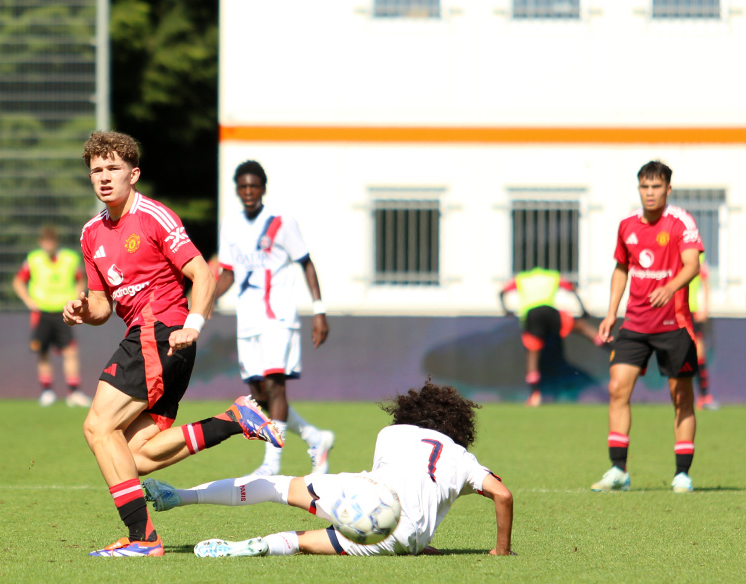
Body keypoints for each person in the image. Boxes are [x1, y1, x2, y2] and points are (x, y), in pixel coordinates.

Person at [63, 131, 285, 558]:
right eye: (96, 170)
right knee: (135, 457)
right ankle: (234, 420)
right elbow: (100, 307)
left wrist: (194, 323)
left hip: (160, 333)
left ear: (134, 173)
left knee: (97, 426)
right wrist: (80, 310)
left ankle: (143, 539)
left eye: (113, 169)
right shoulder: (91, 233)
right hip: (153, 341)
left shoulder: (153, 216)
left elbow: (202, 274)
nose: (104, 178)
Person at [141, 379, 514, 558]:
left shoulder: (392, 432)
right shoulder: (462, 459)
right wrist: (500, 550)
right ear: (457, 428)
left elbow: (390, 484)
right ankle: (245, 547)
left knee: (276, 486)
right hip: (405, 540)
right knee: (303, 541)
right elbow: (502, 494)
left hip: (371, 498)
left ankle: (181, 497)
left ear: (412, 412)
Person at [214, 159, 334, 476]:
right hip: (248, 319)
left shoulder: (281, 222)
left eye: (254, 185)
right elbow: (227, 272)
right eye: (243, 186)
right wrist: (207, 299)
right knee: (259, 396)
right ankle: (315, 437)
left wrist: (319, 310)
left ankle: (271, 464)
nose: (249, 191)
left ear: (263, 188)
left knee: (275, 386)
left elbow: (306, 262)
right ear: (237, 190)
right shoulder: (230, 225)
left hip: (278, 316)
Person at [592, 160, 703, 494]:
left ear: (668, 189)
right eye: (644, 186)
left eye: (656, 187)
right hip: (636, 323)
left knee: (680, 396)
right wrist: (611, 313)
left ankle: (682, 474)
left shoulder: (681, 222)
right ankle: (618, 470)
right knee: (616, 389)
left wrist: (670, 287)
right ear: (639, 188)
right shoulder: (627, 226)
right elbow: (621, 269)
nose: (650, 193)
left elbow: (693, 265)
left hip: (674, 324)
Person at [499, 267, 605, 407]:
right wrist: (583, 309)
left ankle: (535, 395)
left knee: (532, 356)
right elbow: (572, 288)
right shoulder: (552, 276)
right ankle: (611, 346)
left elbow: (502, 292)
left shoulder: (521, 278)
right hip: (549, 312)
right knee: (581, 327)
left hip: (531, 315)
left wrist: (506, 310)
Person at [13, 226, 90, 408]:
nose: (49, 245)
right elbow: (18, 281)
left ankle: (74, 392)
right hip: (42, 312)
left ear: (56, 242)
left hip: (64, 311)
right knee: (43, 352)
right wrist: (28, 301)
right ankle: (47, 391)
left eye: (52, 241)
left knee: (70, 351)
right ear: (41, 243)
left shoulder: (69, 259)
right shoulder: (34, 260)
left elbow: (80, 278)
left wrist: (75, 297)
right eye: (45, 241)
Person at [688, 254, 718, 411]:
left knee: (699, 353)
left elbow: (705, 281)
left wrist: (705, 307)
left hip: (692, 311)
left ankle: (704, 396)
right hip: (675, 312)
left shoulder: (699, 256)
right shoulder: (672, 251)